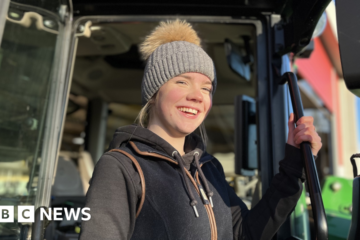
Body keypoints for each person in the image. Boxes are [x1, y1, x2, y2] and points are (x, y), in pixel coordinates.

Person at [79, 19, 322, 240]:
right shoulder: (122, 167)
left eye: (206, 88)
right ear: (153, 94)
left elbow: (245, 233)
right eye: (182, 81)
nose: (197, 96)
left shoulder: (209, 168)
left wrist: (294, 166)